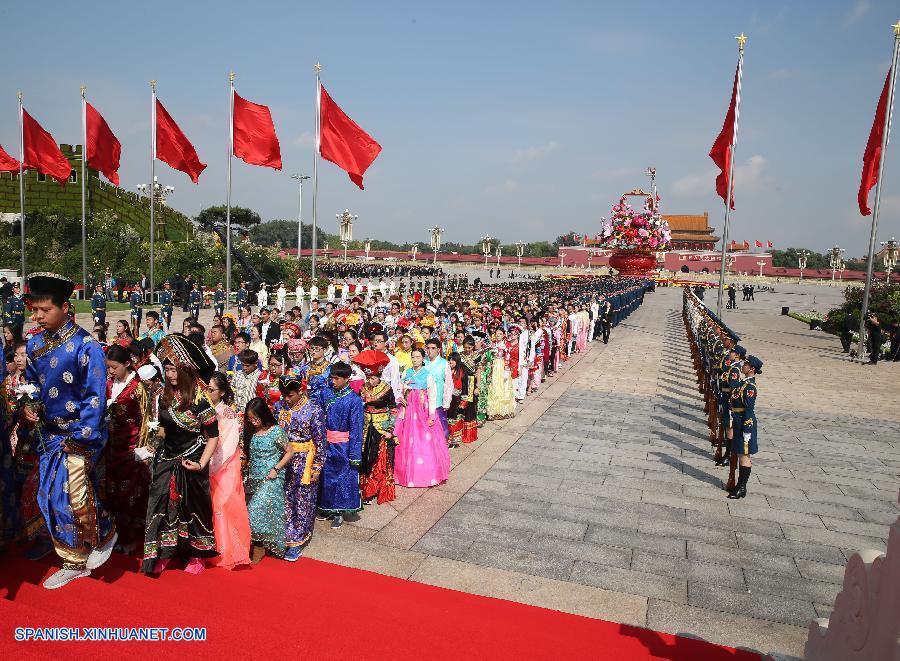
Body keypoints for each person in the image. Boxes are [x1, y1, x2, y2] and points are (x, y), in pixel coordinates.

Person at [19, 273, 116, 589]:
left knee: (69, 495)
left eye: (44, 310)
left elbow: (95, 396)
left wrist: (81, 437)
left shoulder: (86, 346)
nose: (37, 316)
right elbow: (31, 382)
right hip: (48, 435)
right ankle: (81, 550)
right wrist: (29, 403)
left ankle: (91, 542)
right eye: (34, 310)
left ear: (65, 307)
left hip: (80, 434)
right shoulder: (34, 343)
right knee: (47, 495)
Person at [142, 333, 219, 575]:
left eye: (174, 369)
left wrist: (202, 464)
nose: (171, 374)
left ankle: (197, 555)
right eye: (167, 369)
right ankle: (165, 551)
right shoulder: (163, 396)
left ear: (185, 371)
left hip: (193, 458)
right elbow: (164, 427)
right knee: (162, 505)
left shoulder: (200, 400)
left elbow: (213, 435)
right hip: (167, 457)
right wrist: (155, 443)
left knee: (192, 508)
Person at [103, 344, 153, 555]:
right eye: (109, 367)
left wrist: (141, 449)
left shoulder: (137, 388)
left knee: (129, 494)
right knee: (112, 493)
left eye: (114, 367)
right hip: (111, 445)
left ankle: (131, 538)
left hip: (131, 448)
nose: (111, 371)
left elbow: (146, 419)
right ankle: (116, 535)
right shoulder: (107, 384)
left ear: (126, 364)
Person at [276, 376, 326, 560]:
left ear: (300, 392)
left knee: (302, 501)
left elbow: (320, 441)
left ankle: (297, 540)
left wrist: (317, 466)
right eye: (284, 395)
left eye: (289, 395)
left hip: (304, 460)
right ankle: (284, 536)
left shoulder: (314, 410)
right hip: (283, 460)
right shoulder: (280, 407)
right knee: (284, 499)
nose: (286, 399)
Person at [205, 373, 251, 570]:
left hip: (225, 465)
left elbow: (230, 445)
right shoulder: (205, 410)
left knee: (223, 504)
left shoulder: (229, 414)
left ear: (222, 392)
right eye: (207, 389)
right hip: (207, 461)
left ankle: (227, 549)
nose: (208, 392)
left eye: (211, 390)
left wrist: (211, 464)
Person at [244, 397, 292, 562]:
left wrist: (276, 469)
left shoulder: (276, 431)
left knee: (255, 511)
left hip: (272, 478)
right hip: (255, 477)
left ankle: (259, 547)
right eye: (250, 418)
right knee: (263, 513)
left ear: (263, 414)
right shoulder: (251, 431)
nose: (253, 421)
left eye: (255, 417)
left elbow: (289, 452)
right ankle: (260, 544)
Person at [395, 347, 450, 488]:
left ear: (422, 359)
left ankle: (425, 473)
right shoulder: (406, 373)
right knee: (405, 440)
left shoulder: (427, 374)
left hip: (422, 410)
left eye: (418, 357)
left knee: (425, 439)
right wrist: (401, 397)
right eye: (413, 357)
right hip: (407, 410)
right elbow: (399, 389)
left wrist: (432, 415)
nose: (415, 360)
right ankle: (404, 473)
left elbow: (432, 395)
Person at [317, 361, 363, 528]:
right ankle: (326, 507)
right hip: (326, 443)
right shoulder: (326, 394)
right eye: (331, 378)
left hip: (344, 446)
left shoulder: (354, 400)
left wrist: (355, 454)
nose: (333, 382)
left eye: (336, 379)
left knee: (341, 479)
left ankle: (339, 512)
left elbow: (356, 429)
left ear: (347, 378)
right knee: (326, 477)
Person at [355, 350, 397, 504]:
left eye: (373, 378)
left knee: (376, 459)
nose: (370, 381)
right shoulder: (363, 388)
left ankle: (374, 489)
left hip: (381, 428)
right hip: (366, 427)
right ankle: (364, 488)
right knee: (365, 457)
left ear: (379, 376)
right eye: (368, 377)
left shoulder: (387, 389)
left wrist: (390, 430)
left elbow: (393, 409)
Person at [728, 355, 762, 499]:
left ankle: (742, 487)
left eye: (746, 364)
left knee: (744, 455)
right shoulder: (743, 383)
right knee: (740, 453)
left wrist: (747, 430)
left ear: (751, 369)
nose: (743, 366)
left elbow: (748, 410)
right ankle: (739, 486)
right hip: (738, 421)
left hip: (744, 424)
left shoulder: (749, 388)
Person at [487, 329, 516, 420]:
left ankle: (504, 410)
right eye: (496, 334)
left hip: (502, 365)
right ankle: (493, 411)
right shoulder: (492, 343)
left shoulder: (506, 344)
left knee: (504, 387)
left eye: (500, 334)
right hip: (493, 366)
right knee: (493, 387)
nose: (498, 335)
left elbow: (508, 357)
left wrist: (506, 370)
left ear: (503, 335)